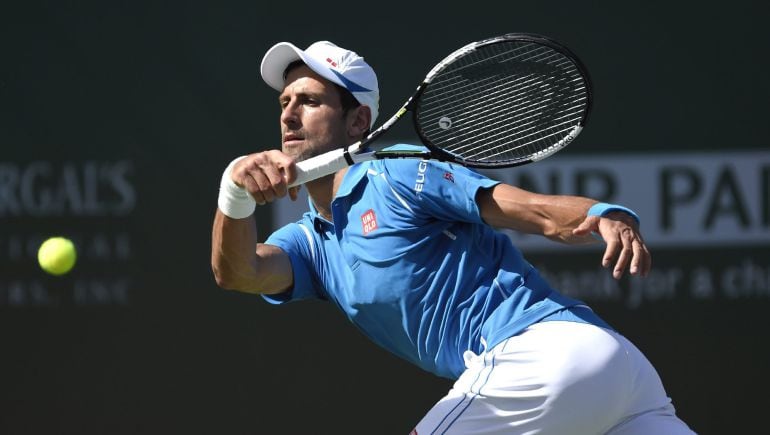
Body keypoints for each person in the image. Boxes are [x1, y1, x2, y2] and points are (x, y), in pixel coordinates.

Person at [211, 40, 695, 434]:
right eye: (285, 102)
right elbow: (238, 272)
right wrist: (234, 193)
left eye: (310, 101)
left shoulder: (396, 173)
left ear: (358, 121)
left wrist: (604, 213)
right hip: (618, 374)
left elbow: (534, 212)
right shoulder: (310, 244)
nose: (289, 115)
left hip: (544, 357)